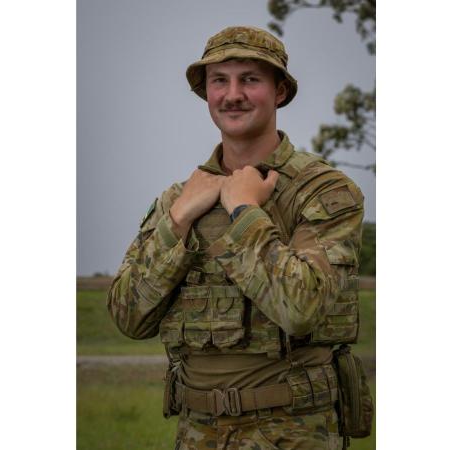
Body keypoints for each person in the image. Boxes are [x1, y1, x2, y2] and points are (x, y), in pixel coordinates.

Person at [108, 26, 369, 450]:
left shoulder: (322, 191)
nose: (233, 95)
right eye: (219, 81)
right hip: (197, 433)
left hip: (292, 433)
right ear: (206, 94)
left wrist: (245, 212)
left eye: (249, 79)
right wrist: (178, 221)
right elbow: (128, 317)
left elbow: (302, 309)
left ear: (279, 91)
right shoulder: (180, 199)